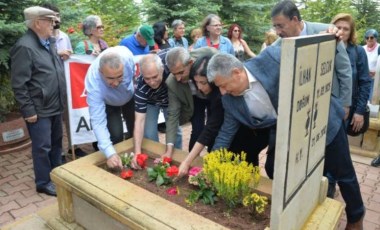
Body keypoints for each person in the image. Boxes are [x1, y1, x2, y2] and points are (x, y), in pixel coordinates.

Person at [271, 1, 365, 228]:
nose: (278, 31)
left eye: (281, 25)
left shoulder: (326, 32)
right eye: (275, 27)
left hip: (330, 112)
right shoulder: (279, 44)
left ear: (295, 19)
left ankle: (356, 216)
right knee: (309, 165)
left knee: (343, 168)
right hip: (303, 116)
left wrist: (344, 106)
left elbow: (344, 70)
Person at [177, 53, 269, 177]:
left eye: (203, 83)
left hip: (245, 135)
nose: (199, 87)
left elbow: (211, 128)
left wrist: (188, 161)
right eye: (196, 82)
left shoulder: (224, 94)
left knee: (245, 163)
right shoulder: (221, 90)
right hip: (230, 132)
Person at [11, 6, 65, 196]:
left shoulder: (48, 42)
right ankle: (43, 182)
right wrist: (28, 111)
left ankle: (58, 174)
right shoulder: (24, 47)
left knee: (57, 142)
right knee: (42, 147)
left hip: (55, 104)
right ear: (37, 23)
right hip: (39, 108)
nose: (53, 24)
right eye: (50, 21)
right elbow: (19, 84)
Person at [85, 46, 135, 169]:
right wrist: (110, 153)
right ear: (101, 72)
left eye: (120, 76)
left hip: (129, 96)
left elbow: (133, 77)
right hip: (109, 102)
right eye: (111, 78)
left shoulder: (128, 58)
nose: (116, 83)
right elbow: (98, 122)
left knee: (135, 130)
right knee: (116, 135)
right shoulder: (93, 84)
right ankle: (117, 161)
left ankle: (135, 156)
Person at [162, 47, 218, 158]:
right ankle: (192, 159)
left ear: (190, 63)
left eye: (181, 72)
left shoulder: (211, 57)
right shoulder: (172, 82)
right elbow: (172, 114)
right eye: (174, 74)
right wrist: (169, 150)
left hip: (215, 96)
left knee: (214, 127)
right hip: (196, 99)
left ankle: (213, 157)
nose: (178, 78)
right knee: (197, 128)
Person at [132, 53, 182, 166]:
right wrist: (137, 152)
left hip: (170, 99)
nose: (152, 82)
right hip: (151, 102)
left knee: (175, 130)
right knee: (149, 132)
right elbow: (139, 121)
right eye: (147, 78)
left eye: (155, 77)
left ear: (162, 69)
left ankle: (177, 157)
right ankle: (156, 158)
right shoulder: (141, 87)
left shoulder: (171, 70)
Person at [331, 14, 371, 136]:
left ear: (351, 32)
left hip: (347, 108)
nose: (341, 31)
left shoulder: (358, 52)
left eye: (346, 29)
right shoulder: (325, 49)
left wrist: (359, 111)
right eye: (338, 27)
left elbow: (365, 83)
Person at [362, 29, 379, 101]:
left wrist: (376, 72)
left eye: (371, 37)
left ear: (376, 38)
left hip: (375, 79)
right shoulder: (362, 48)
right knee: (363, 98)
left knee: (372, 99)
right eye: (367, 37)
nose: (369, 39)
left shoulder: (379, 48)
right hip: (364, 78)